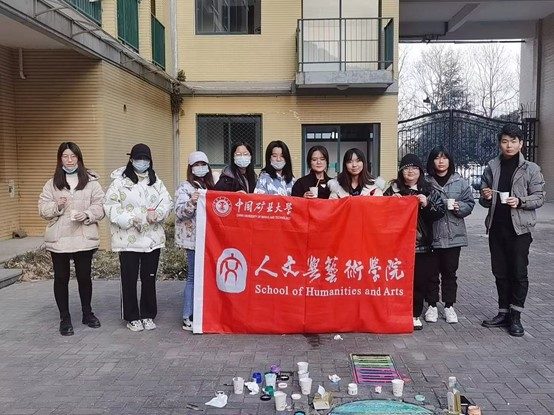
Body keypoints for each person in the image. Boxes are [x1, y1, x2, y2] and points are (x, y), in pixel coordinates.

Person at [479, 124, 545, 337]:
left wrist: (520, 201)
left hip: (519, 230)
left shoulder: (531, 169)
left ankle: (516, 317)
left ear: (521, 144)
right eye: (505, 141)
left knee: (518, 273)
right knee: (500, 272)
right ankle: (503, 312)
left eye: (513, 141)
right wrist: (486, 196)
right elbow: (483, 199)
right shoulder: (492, 166)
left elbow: (539, 197)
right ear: (500, 143)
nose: (509, 145)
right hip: (496, 228)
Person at [104, 144, 173, 332]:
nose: (142, 162)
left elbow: (167, 202)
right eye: (138, 158)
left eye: (145, 159)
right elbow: (110, 205)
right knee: (129, 279)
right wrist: (129, 219)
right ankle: (132, 316)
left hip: (151, 239)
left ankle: (148, 314)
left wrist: (158, 214)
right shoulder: (119, 182)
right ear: (131, 159)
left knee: (149, 278)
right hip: (127, 239)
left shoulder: (156, 181)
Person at [38, 142, 105, 336]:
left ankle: (87, 313)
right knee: (61, 278)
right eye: (65, 156)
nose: (69, 160)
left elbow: (101, 205)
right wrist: (57, 207)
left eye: (73, 156)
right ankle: (65, 318)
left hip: (83, 236)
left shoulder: (91, 182)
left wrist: (88, 214)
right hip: (60, 238)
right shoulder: (52, 183)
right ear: (60, 159)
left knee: (84, 277)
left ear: (79, 158)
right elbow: (42, 209)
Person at [384, 154, 445, 330]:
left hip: (421, 246)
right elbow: (382, 215)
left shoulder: (429, 190)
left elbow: (440, 212)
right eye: (407, 168)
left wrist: (426, 204)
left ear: (420, 171)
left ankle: (414, 314)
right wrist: (390, 203)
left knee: (418, 282)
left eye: (414, 168)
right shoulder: (392, 191)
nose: (410, 171)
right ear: (401, 171)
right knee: (396, 281)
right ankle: (395, 313)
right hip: (397, 246)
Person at [424, 146, 475, 324]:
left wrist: (460, 207)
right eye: (437, 158)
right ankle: (431, 305)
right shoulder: (426, 182)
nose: (441, 161)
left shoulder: (459, 182)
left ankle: (449, 306)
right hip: (433, 235)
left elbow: (470, 203)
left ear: (450, 161)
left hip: (454, 236)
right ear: (432, 161)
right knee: (431, 274)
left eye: (444, 158)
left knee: (450, 273)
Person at [175, 151, 216, 331]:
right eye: (196, 165)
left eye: (203, 164)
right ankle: (187, 315)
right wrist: (191, 202)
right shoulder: (185, 187)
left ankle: (203, 312)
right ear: (190, 168)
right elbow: (179, 212)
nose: (200, 168)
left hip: (210, 239)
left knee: (207, 277)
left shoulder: (212, 185)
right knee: (193, 277)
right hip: (193, 240)